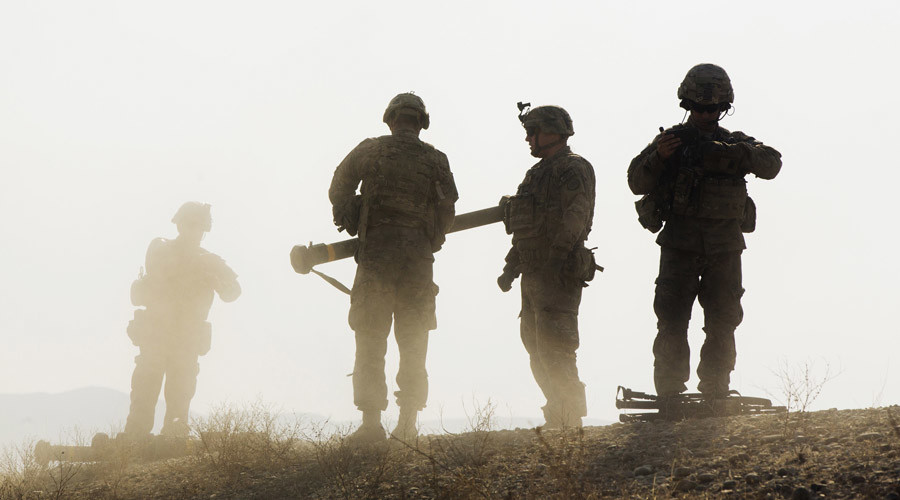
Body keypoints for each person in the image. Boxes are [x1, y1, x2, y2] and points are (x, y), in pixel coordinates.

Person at [627, 63, 782, 399]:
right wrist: (659, 156)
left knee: (723, 322)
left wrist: (733, 154)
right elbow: (636, 181)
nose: (706, 113)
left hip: (724, 248)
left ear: (723, 108)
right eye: (699, 107)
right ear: (688, 105)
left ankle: (715, 388)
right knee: (671, 320)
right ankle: (669, 391)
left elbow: (772, 164)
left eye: (712, 108)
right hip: (679, 245)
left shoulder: (737, 144)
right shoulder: (671, 141)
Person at [328, 93, 458, 443]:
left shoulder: (371, 150)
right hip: (417, 265)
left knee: (370, 339)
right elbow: (448, 209)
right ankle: (408, 424)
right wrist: (429, 241)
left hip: (376, 262)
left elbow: (339, 185)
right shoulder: (436, 160)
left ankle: (371, 425)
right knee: (413, 341)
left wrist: (351, 216)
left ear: (390, 119)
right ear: (421, 122)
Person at [497, 104, 597, 428]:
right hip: (533, 273)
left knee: (558, 347)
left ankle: (570, 417)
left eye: (533, 131)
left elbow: (576, 216)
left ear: (552, 131)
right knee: (536, 348)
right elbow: (525, 226)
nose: (528, 138)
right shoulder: (535, 175)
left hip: (557, 272)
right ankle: (558, 411)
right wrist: (511, 268)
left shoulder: (573, 168)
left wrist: (556, 258)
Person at [124, 202, 241, 437]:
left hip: (186, 338)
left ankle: (174, 435)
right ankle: (136, 438)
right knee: (146, 386)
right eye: (190, 225)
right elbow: (150, 280)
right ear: (180, 225)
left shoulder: (210, 261)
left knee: (180, 392)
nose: (194, 231)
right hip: (157, 333)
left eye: (199, 227)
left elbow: (234, 292)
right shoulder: (161, 248)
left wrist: (218, 282)